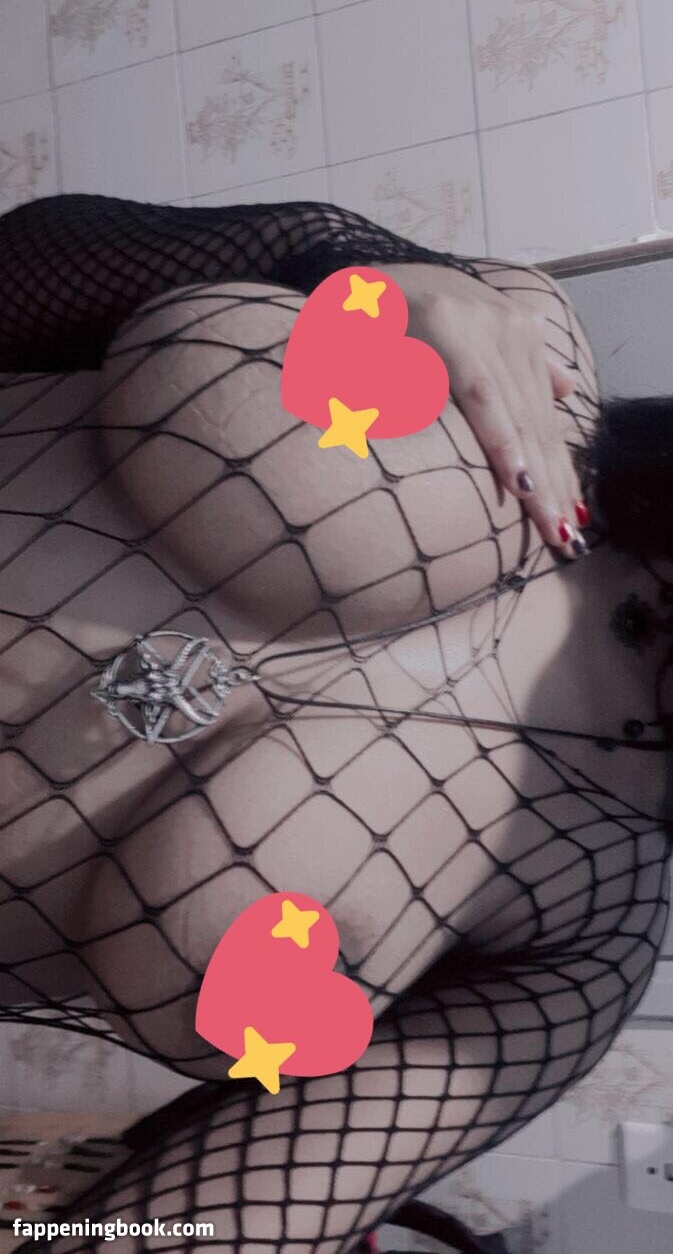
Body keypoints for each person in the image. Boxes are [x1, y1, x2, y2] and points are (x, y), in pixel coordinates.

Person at [0, 195, 670, 1253]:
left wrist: (35, 1230)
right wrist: (319, 253)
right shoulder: (524, 354)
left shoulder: (586, 939)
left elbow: (181, 1227)